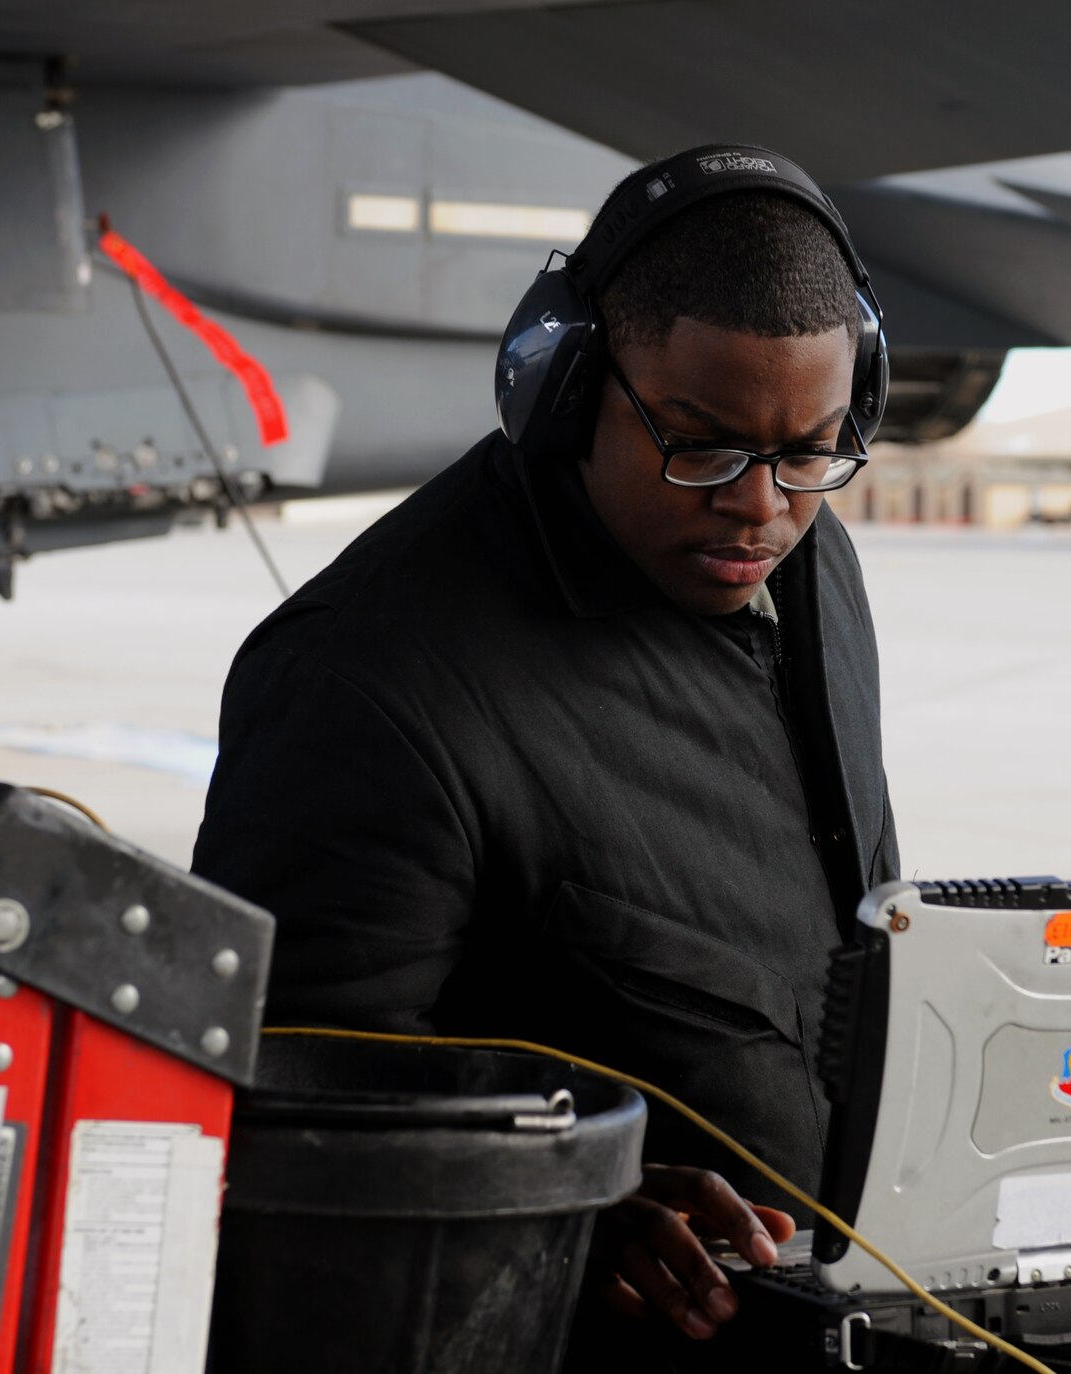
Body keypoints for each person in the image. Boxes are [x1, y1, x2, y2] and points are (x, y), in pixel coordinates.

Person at [192, 145, 899, 1363]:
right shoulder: (368, 681)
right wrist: (581, 1208)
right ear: (565, 385)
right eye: (700, 444)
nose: (759, 507)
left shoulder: (805, 562)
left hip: (827, 1316)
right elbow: (288, 1113)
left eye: (808, 452)